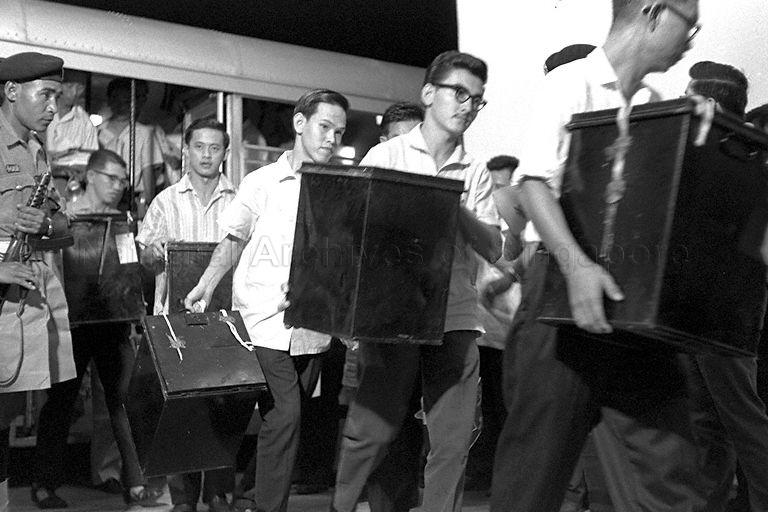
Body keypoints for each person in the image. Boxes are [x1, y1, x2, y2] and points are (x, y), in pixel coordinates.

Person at [489, 2, 718, 511]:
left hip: (634, 313)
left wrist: (701, 137)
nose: (694, 36)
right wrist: (577, 267)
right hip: (560, 314)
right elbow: (532, 183)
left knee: (675, 476)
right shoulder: (572, 82)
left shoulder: (663, 101)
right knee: (531, 484)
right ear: (655, 12)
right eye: (690, 22)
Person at [332, 50, 501, 512]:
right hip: (394, 315)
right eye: (459, 93)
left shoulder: (476, 170)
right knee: (373, 429)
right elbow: (354, 232)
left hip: (456, 315)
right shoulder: (387, 155)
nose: (467, 106)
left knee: (453, 438)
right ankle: (340, 506)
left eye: (477, 100)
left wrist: (452, 202)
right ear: (429, 94)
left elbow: (495, 247)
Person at [183, 89, 349, 512]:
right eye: (324, 127)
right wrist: (206, 283)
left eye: (339, 131)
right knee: (286, 414)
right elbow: (234, 239)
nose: (332, 138)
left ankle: (251, 497)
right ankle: (264, 505)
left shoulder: (342, 191)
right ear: (299, 124)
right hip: (262, 322)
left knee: (281, 419)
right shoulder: (262, 182)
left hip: (313, 328)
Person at [31, 149, 162, 509]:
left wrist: (141, 281)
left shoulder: (121, 222)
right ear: (90, 176)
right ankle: (44, 483)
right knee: (61, 403)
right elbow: (50, 265)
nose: (119, 186)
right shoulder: (64, 218)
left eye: (123, 180)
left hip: (112, 322)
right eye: (112, 178)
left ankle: (135, 481)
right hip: (70, 321)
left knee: (123, 400)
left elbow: (130, 268)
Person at [137, 117, 237, 512]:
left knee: (223, 406)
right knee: (180, 410)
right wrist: (153, 253)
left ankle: (218, 494)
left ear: (225, 153)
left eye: (215, 148)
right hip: (174, 321)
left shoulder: (239, 199)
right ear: (186, 151)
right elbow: (145, 259)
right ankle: (182, 500)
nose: (207, 155)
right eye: (199, 147)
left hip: (225, 322)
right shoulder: (165, 200)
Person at [682, 62, 768, 512]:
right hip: (703, 309)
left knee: (741, 420)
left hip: (726, 312)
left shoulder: (744, 157)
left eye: (691, 97)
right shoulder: (721, 154)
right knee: (709, 422)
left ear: (711, 104)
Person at [0, 51, 75, 512]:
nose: (53, 107)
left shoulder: (35, 149)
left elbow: (63, 226)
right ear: (11, 91)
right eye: (45, 94)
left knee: (4, 416)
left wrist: (45, 225)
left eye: (57, 97)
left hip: (21, 298)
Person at [465, 154, 521, 494]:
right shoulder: (480, 221)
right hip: (480, 329)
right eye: (494, 185)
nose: (498, 193)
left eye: (504, 186)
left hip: (510, 330)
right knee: (483, 408)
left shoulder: (521, 225)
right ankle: (482, 470)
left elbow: (517, 260)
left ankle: (501, 475)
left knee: (505, 407)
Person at [98, 77, 165, 218]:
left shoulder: (144, 133)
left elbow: (149, 175)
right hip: (101, 200)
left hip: (131, 202)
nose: (122, 103)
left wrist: (146, 204)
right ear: (110, 100)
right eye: (118, 97)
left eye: (128, 99)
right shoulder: (97, 132)